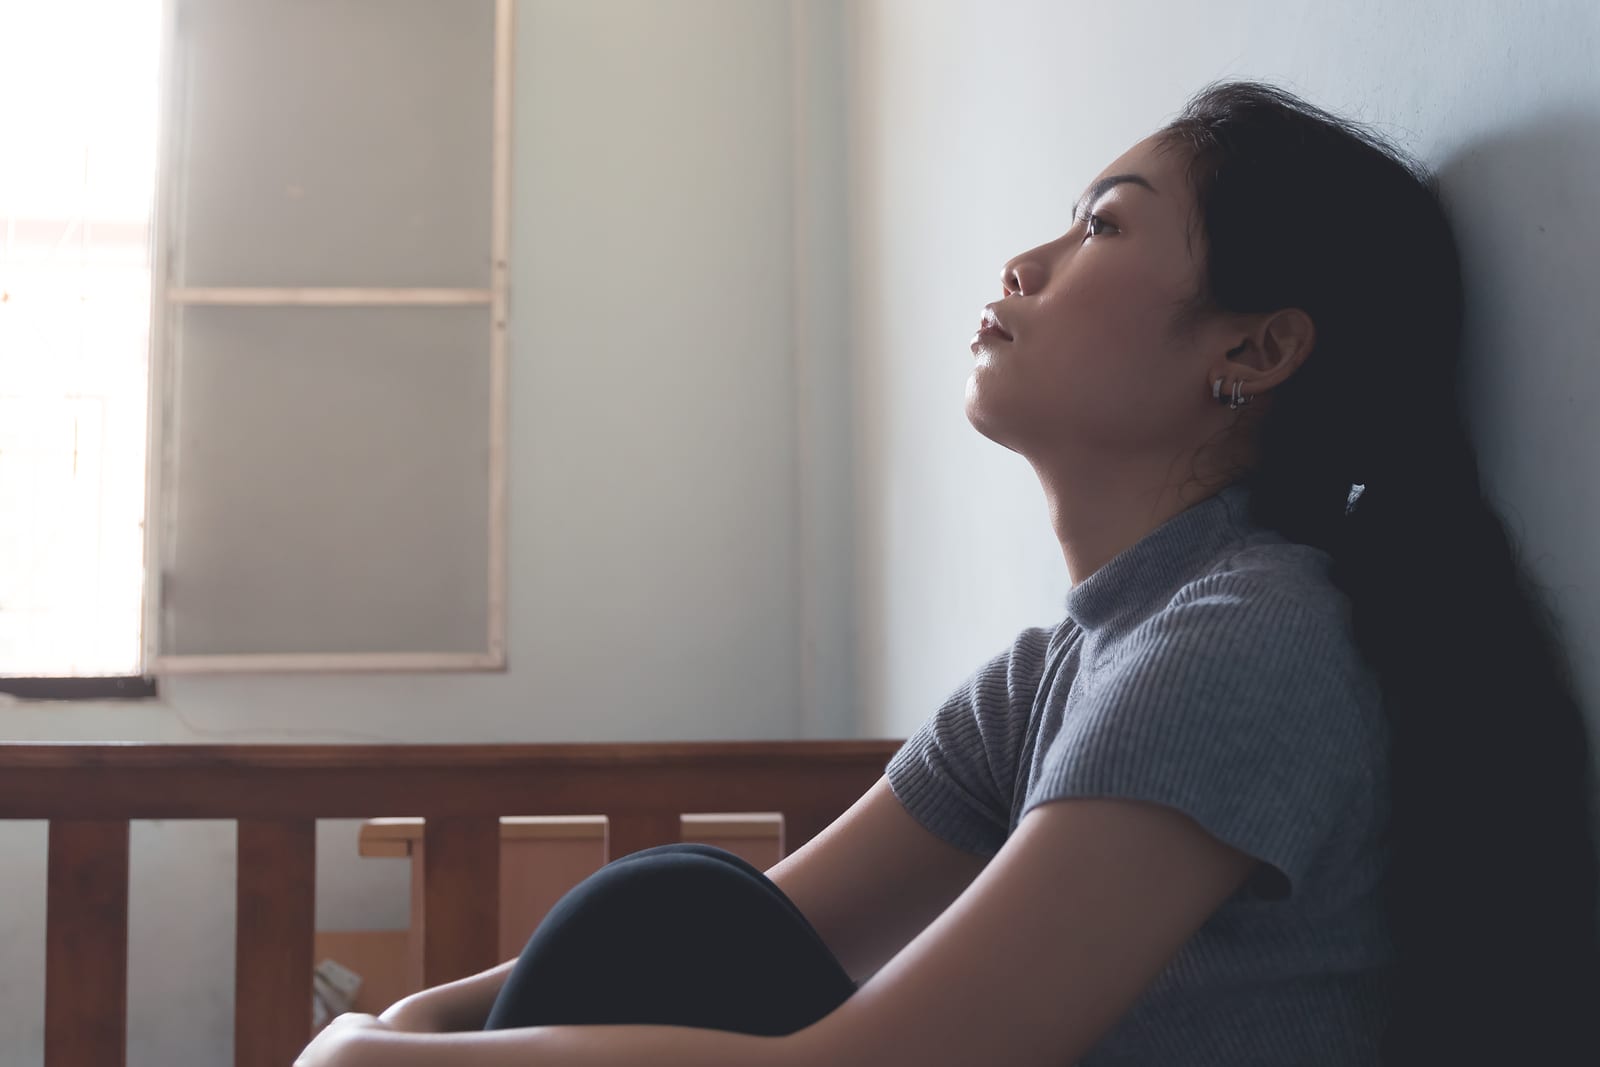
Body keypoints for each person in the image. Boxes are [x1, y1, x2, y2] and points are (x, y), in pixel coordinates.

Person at [294, 79, 1600, 1067]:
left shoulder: (1246, 644)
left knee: (671, 920)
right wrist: (411, 1022)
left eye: (1103, 226)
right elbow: (758, 931)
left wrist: (377, 1058)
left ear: (1254, 351)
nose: (1026, 265)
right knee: (681, 913)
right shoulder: (1069, 667)